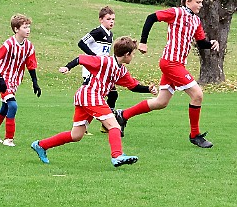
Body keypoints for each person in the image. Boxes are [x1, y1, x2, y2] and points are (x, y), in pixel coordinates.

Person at [115, 0, 219, 148]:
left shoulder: (196, 20)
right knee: (197, 95)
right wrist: (143, 42)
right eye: (198, 2)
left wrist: (211, 43)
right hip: (171, 63)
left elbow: (201, 43)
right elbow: (151, 17)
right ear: (188, 1)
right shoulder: (176, 12)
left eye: (201, 2)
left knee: (161, 102)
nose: (201, 5)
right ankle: (195, 135)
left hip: (176, 64)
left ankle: (123, 115)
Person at [31, 36, 158, 167]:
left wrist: (148, 89)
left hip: (86, 97)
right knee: (114, 125)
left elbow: (132, 86)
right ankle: (117, 156)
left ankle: (41, 145)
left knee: (76, 135)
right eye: (133, 54)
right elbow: (81, 58)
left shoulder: (121, 70)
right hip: (91, 94)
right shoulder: (104, 61)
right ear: (126, 54)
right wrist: (67, 67)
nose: (133, 57)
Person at [0, 13, 41, 147]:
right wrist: (1, 80)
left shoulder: (29, 46)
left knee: (5, 108)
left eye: (29, 27)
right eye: (25, 27)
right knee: (13, 105)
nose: (28, 30)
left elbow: (31, 65)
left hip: (15, 81)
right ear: (16, 29)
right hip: (3, 79)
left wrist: (35, 83)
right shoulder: (9, 44)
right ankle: (9, 139)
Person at [78, 6, 117, 134]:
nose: (111, 21)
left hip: (103, 70)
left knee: (113, 94)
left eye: (113, 19)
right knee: (88, 97)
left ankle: (105, 125)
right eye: (108, 19)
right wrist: (93, 57)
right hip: (92, 68)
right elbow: (81, 43)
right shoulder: (98, 32)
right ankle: (83, 126)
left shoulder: (110, 34)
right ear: (101, 20)